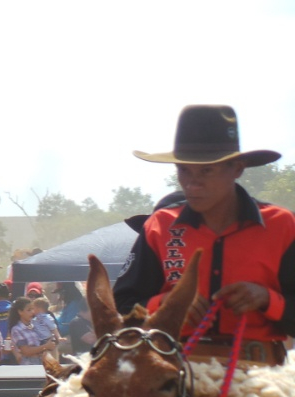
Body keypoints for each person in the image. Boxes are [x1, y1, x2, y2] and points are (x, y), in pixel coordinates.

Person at [114, 104, 295, 364]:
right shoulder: (160, 225)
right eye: (183, 170)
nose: (191, 183)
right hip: (171, 373)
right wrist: (165, 304)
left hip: (261, 376)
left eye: (206, 171)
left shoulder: (283, 225)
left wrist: (268, 299)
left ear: (237, 169)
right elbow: (123, 305)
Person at [7, 297, 58, 366]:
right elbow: (26, 351)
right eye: (29, 310)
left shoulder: (34, 325)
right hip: (30, 365)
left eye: (32, 309)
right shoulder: (17, 329)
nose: (32, 312)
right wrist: (46, 346)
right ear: (20, 312)